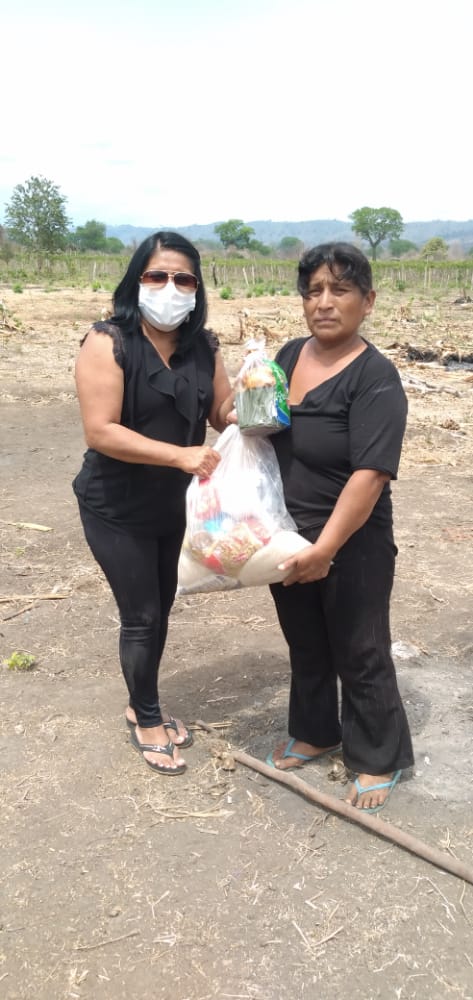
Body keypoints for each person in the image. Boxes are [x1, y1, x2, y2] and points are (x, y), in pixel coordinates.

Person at [73, 231, 235, 775]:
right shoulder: (109, 342)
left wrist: (253, 403)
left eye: (183, 279)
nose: (170, 287)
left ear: (197, 288)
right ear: (136, 280)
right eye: (157, 275)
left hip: (174, 505)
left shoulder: (203, 347)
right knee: (141, 614)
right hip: (115, 504)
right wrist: (180, 456)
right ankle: (146, 717)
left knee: (160, 606)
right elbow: (101, 430)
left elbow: (221, 412)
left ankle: (140, 699)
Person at [265, 242, 414, 813]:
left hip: (352, 541)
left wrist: (326, 548)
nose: (323, 302)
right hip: (286, 533)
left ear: (367, 301)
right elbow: (263, 420)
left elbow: (370, 476)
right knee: (305, 641)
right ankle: (315, 731)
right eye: (313, 291)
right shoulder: (288, 354)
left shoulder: (376, 377)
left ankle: (378, 756)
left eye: (340, 289)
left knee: (360, 647)